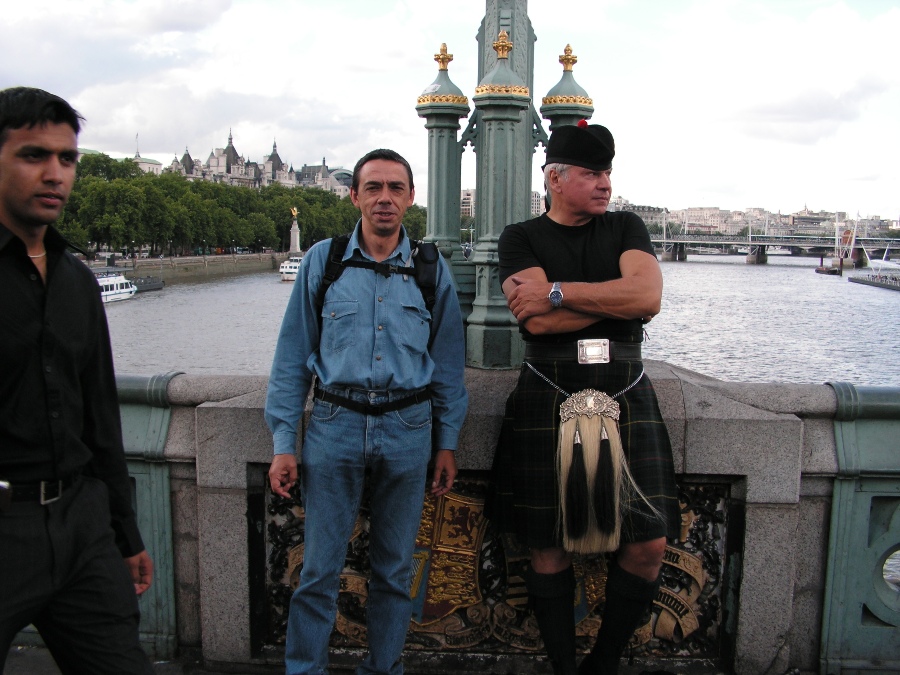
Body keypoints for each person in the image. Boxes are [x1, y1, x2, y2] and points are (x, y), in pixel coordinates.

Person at [266, 148, 468, 675]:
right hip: (335, 426)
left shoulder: (430, 269)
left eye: (395, 188)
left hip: (409, 430)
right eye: (373, 188)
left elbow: (447, 365)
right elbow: (291, 361)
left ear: (410, 198)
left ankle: (383, 670)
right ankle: (305, 670)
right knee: (318, 571)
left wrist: (446, 441)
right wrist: (284, 443)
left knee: (395, 572)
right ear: (354, 196)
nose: (384, 199)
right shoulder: (323, 261)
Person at [491, 122, 680, 675]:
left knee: (648, 543)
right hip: (549, 389)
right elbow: (534, 322)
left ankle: (601, 665)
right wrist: (617, 304)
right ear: (556, 177)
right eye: (593, 173)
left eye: (608, 173)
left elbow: (647, 295)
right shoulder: (519, 237)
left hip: (623, 389)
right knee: (547, 544)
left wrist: (557, 292)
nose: (605, 184)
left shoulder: (626, 226)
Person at [0, 87, 154, 673]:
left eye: (67, 159)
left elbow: (100, 419)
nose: (54, 173)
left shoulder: (77, 281)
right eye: (33, 155)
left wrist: (124, 531)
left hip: (81, 524)